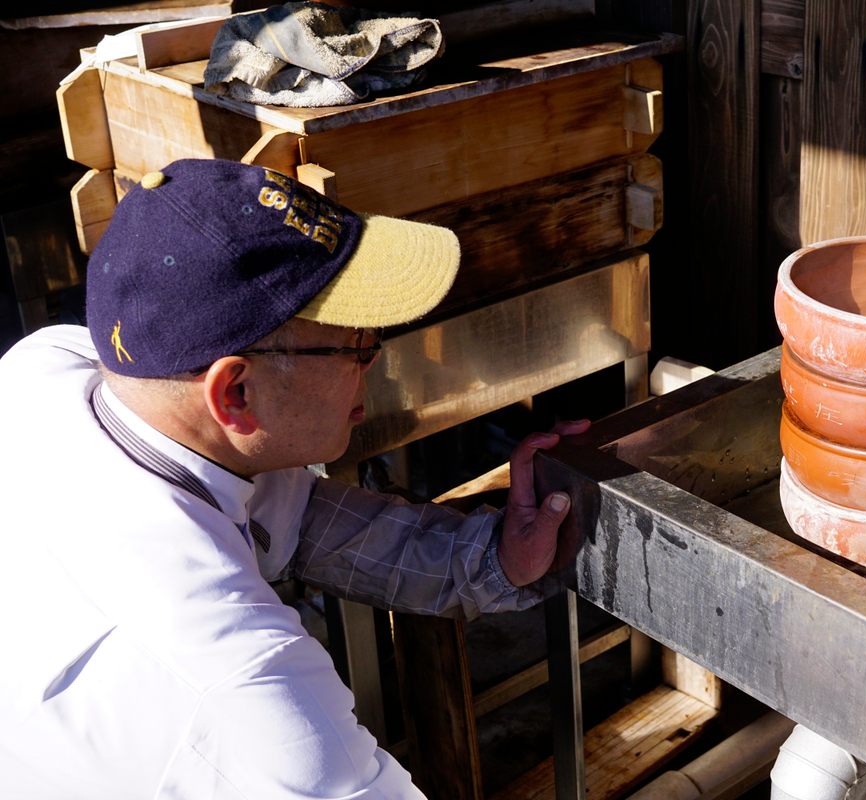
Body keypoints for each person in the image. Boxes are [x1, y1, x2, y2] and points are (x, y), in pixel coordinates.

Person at [0, 158, 589, 797]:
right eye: (352, 343)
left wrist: (489, 557)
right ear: (236, 392)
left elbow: (296, 517)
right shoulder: (252, 700)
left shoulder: (57, 367)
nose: (375, 354)